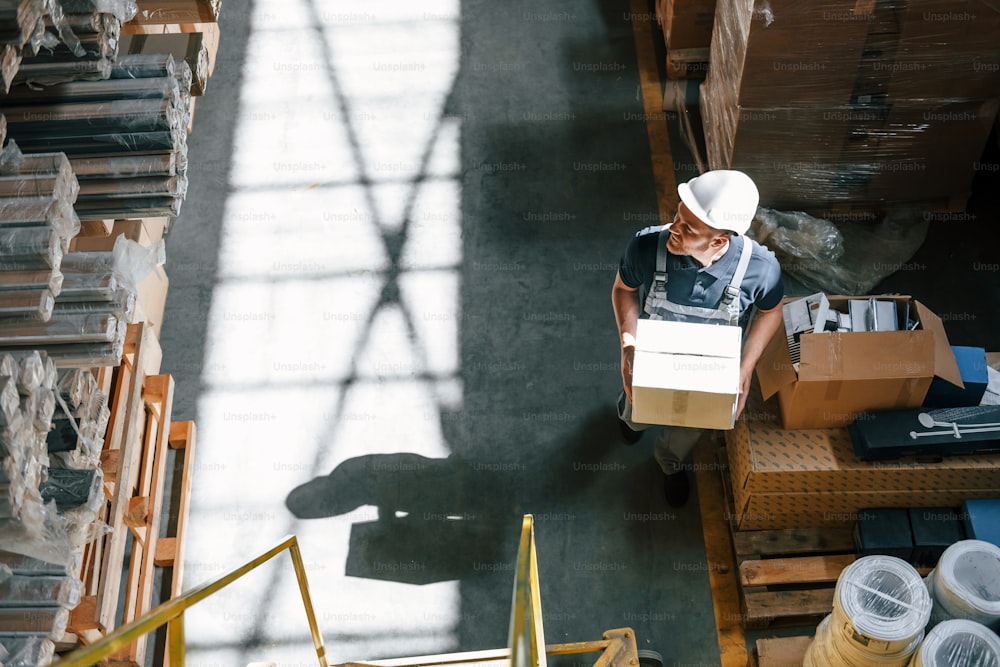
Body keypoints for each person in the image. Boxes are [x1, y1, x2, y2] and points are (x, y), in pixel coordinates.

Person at [611, 170, 784, 507]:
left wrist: (744, 369)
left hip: (709, 372)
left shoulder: (760, 270)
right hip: (654, 358)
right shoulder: (647, 247)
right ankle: (630, 422)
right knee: (636, 408)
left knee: (689, 426)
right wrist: (628, 346)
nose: (673, 228)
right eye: (678, 215)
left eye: (688, 229)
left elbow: (771, 312)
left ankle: (670, 464)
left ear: (719, 241)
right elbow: (624, 289)